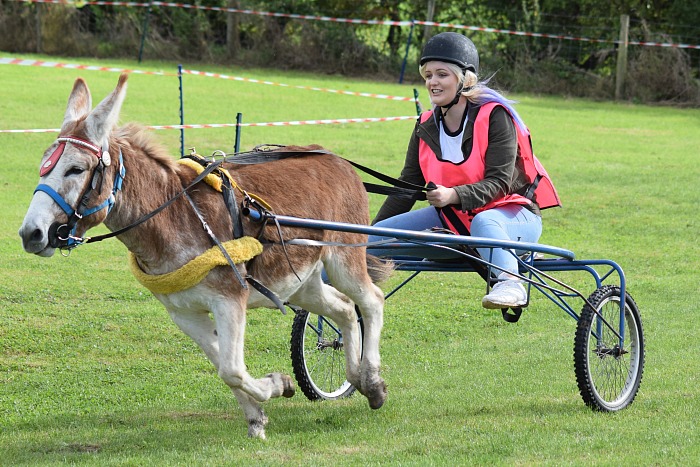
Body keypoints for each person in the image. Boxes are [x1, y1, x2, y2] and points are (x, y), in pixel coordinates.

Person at [370, 32, 560, 309]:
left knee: (485, 223)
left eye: (441, 75)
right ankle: (315, 287)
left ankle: (510, 283)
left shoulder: (495, 116)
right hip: (453, 223)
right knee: (367, 238)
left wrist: (452, 195)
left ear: (465, 79)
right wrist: (370, 230)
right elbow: (406, 188)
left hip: (513, 218)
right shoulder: (425, 124)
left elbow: (499, 183)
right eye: (428, 75)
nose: (432, 82)